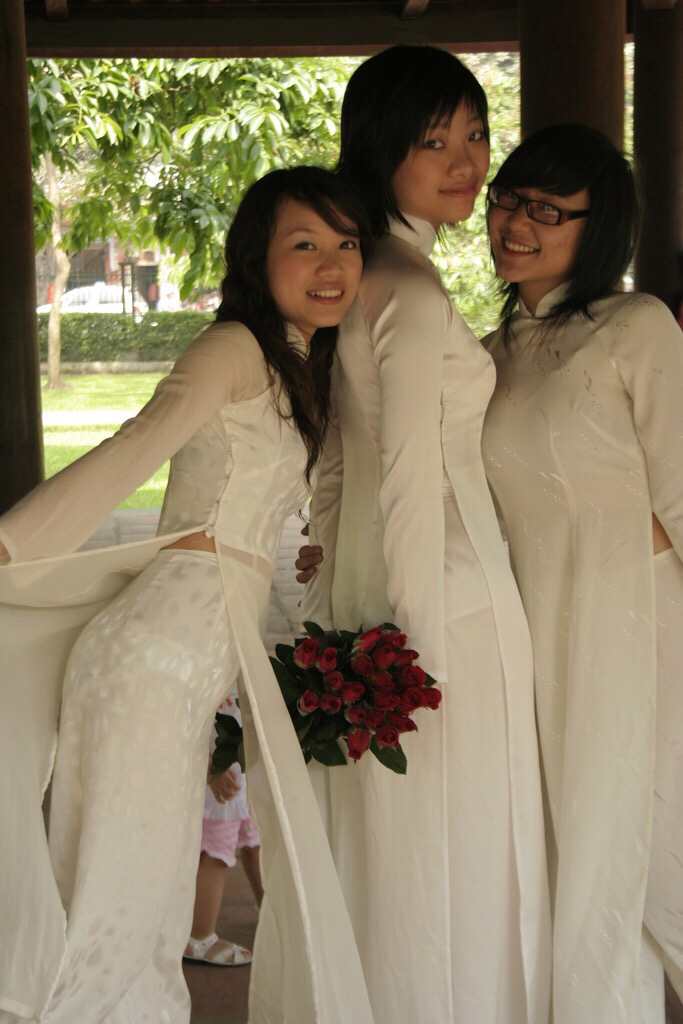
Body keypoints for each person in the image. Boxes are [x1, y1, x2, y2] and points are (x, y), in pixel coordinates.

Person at [0, 167, 376, 1024]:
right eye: (304, 244)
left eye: (346, 244)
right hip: (154, 654)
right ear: (257, 258)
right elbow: (134, 447)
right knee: (122, 898)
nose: (330, 265)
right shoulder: (234, 348)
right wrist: (11, 544)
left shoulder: (298, 364)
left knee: (143, 895)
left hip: (185, 656)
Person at [300, 45, 551, 1024]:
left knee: (400, 849)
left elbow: (334, 460)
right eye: (434, 140)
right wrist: (408, 656)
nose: (466, 161)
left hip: (378, 590)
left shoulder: (363, 274)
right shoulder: (403, 290)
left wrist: (332, 585)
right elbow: (403, 474)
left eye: (475, 134)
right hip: (442, 599)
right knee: (456, 844)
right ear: (381, 147)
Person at [482, 123, 683, 1024]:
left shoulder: (634, 326)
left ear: (596, 226)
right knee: (580, 855)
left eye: (546, 209)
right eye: (508, 199)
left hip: (636, 621)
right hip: (539, 630)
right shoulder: (490, 352)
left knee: (654, 839)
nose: (514, 222)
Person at [183, 697, 261, 968]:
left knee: (254, 839)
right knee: (216, 852)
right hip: (220, 764)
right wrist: (209, 765)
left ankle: (269, 909)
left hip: (242, 762)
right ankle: (199, 936)